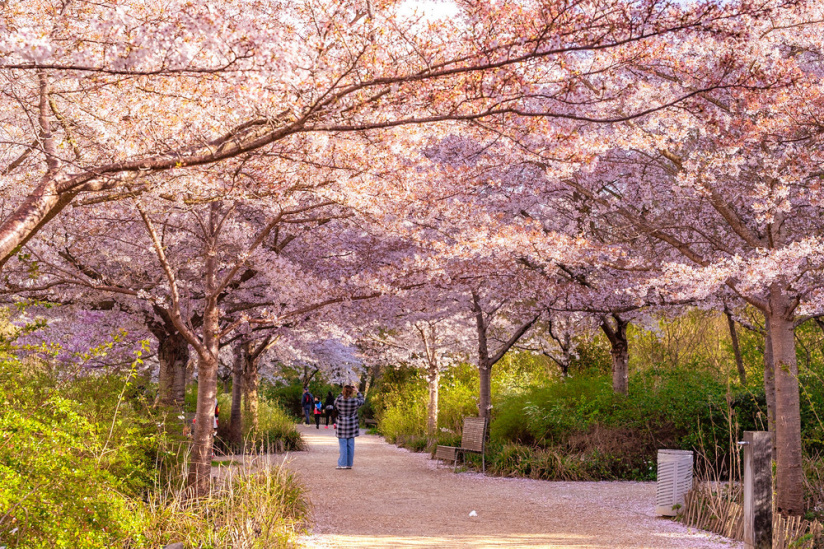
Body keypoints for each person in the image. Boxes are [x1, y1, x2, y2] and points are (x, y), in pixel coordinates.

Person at [334, 385, 365, 469]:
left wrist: (342, 392)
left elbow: (335, 401)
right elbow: (362, 401)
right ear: (352, 392)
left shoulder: (339, 401)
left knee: (343, 446)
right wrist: (357, 391)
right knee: (351, 446)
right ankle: (349, 464)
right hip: (351, 426)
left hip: (341, 426)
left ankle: (342, 464)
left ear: (343, 392)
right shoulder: (354, 401)